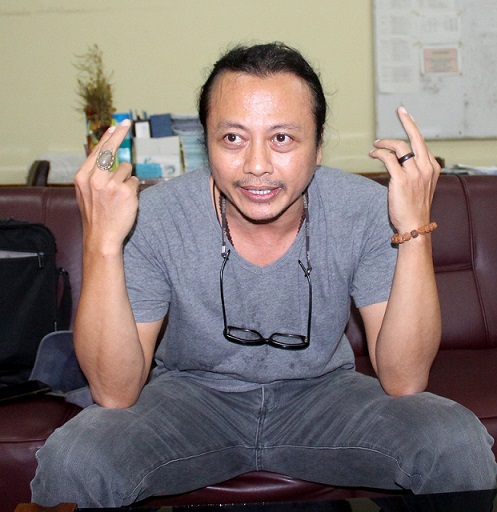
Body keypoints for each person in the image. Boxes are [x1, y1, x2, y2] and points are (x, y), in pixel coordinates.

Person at [31, 42, 496, 507]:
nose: (257, 166)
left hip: (324, 397)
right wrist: (102, 241)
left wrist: (414, 228)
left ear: (318, 146)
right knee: (75, 459)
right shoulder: (154, 215)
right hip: (190, 399)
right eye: (233, 138)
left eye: (283, 139)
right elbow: (114, 392)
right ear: (207, 144)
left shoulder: (364, 209)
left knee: (454, 444)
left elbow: (405, 379)